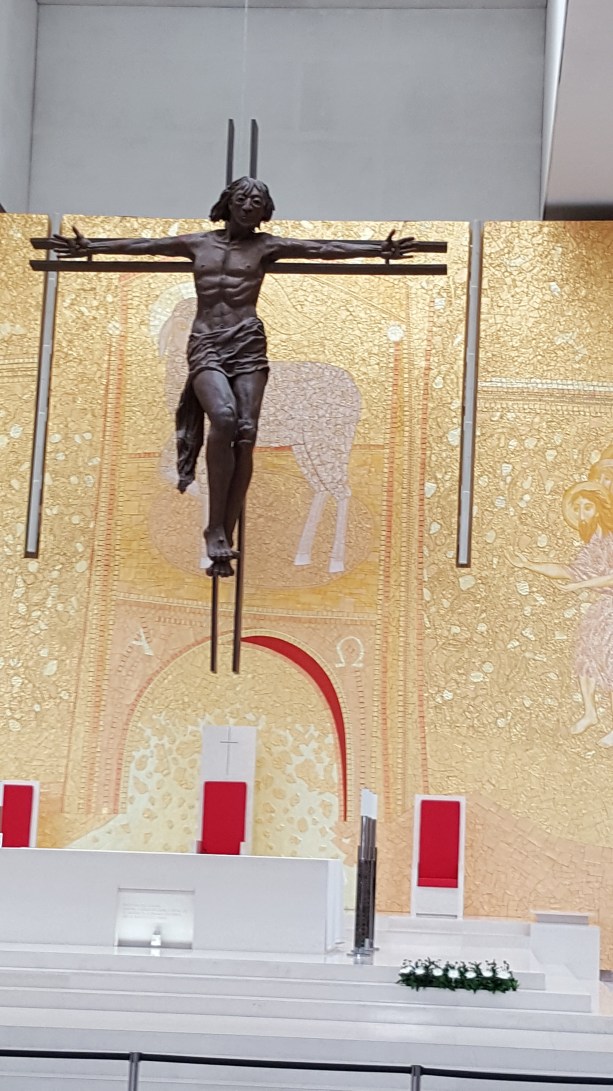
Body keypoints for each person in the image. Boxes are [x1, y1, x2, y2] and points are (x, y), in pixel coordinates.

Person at [49, 177, 416, 576]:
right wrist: (91, 246)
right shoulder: (198, 244)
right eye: (242, 198)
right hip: (207, 343)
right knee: (223, 417)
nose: (248, 205)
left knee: (246, 431)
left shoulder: (266, 247)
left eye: (257, 201)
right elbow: (145, 245)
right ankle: (213, 527)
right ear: (228, 203)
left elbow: (323, 249)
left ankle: (224, 532)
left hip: (247, 343)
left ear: (265, 210)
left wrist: (379, 250)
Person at [507, 481, 613, 742]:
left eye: (587, 507)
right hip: (604, 607)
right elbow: (568, 571)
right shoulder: (593, 544)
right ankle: (590, 713)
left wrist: (580, 586)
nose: (582, 514)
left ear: (600, 509)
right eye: (578, 508)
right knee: (587, 655)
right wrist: (529, 565)